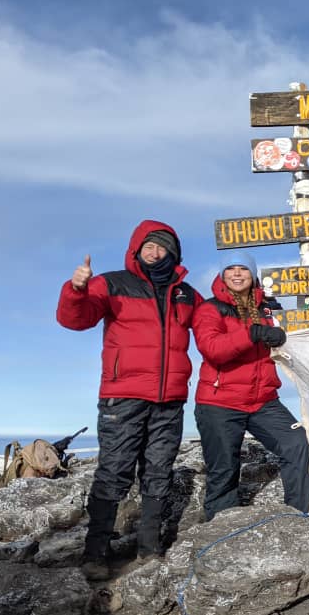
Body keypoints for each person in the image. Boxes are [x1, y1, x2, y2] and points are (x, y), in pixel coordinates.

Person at [56, 220, 202, 580]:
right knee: (114, 472)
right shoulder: (112, 282)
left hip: (170, 400)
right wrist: (75, 289)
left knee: (158, 472)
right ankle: (95, 553)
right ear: (137, 250)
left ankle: (149, 549)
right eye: (148, 247)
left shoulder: (185, 294)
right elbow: (76, 319)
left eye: (162, 247)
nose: (154, 253)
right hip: (122, 397)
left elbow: (214, 327)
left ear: (173, 253)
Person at [192, 250, 309, 519]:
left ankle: (298, 517)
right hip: (219, 402)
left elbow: (296, 334)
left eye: (244, 269)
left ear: (253, 275)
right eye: (231, 269)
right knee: (224, 469)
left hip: (263, 401)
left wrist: (285, 332)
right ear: (222, 275)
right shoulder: (209, 309)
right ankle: (220, 533)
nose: (237, 274)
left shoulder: (268, 309)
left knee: (297, 444)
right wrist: (252, 333)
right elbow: (212, 349)